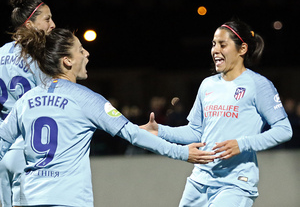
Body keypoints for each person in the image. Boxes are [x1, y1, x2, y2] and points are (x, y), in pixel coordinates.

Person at [0, 27, 211, 207]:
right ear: (67, 61)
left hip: (30, 198)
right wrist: (181, 152)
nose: (87, 54)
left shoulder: (26, 100)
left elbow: (2, 141)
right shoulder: (86, 99)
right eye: (80, 50)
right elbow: (132, 135)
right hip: (67, 199)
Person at [140, 20, 293, 207]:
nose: (215, 50)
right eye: (213, 44)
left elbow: (284, 130)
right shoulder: (207, 85)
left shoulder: (259, 85)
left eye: (222, 44)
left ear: (242, 49)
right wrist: (160, 131)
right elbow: (196, 132)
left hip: (235, 183)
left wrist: (242, 144)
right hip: (199, 181)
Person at [0, 0, 55, 207]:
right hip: (28, 149)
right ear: (30, 24)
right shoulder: (41, 57)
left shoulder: (0, 53)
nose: (53, 24)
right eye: (47, 19)